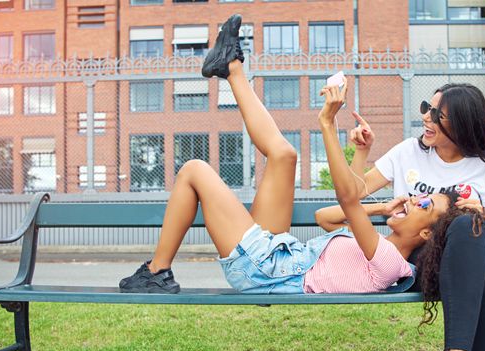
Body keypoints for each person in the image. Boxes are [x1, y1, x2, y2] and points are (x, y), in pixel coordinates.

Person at [119, 14, 453, 299]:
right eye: (418, 197)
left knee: (194, 170)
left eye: (425, 204)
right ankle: (232, 67)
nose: (412, 200)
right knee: (283, 154)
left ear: (426, 234)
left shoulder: (392, 263)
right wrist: (379, 203)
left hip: (264, 271)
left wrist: (328, 121)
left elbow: (349, 200)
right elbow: (327, 216)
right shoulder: (378, 243)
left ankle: (156, 271)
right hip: (278, 253)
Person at [337, 84, 485, 351]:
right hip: (428, 260)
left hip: (480, 247)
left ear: (463, 124)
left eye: (437, 114)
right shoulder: (408, 153)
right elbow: (352, 195)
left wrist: (473, 214)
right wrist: (361, 152)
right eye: (426, 108)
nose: (425, 118)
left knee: (470, 229)